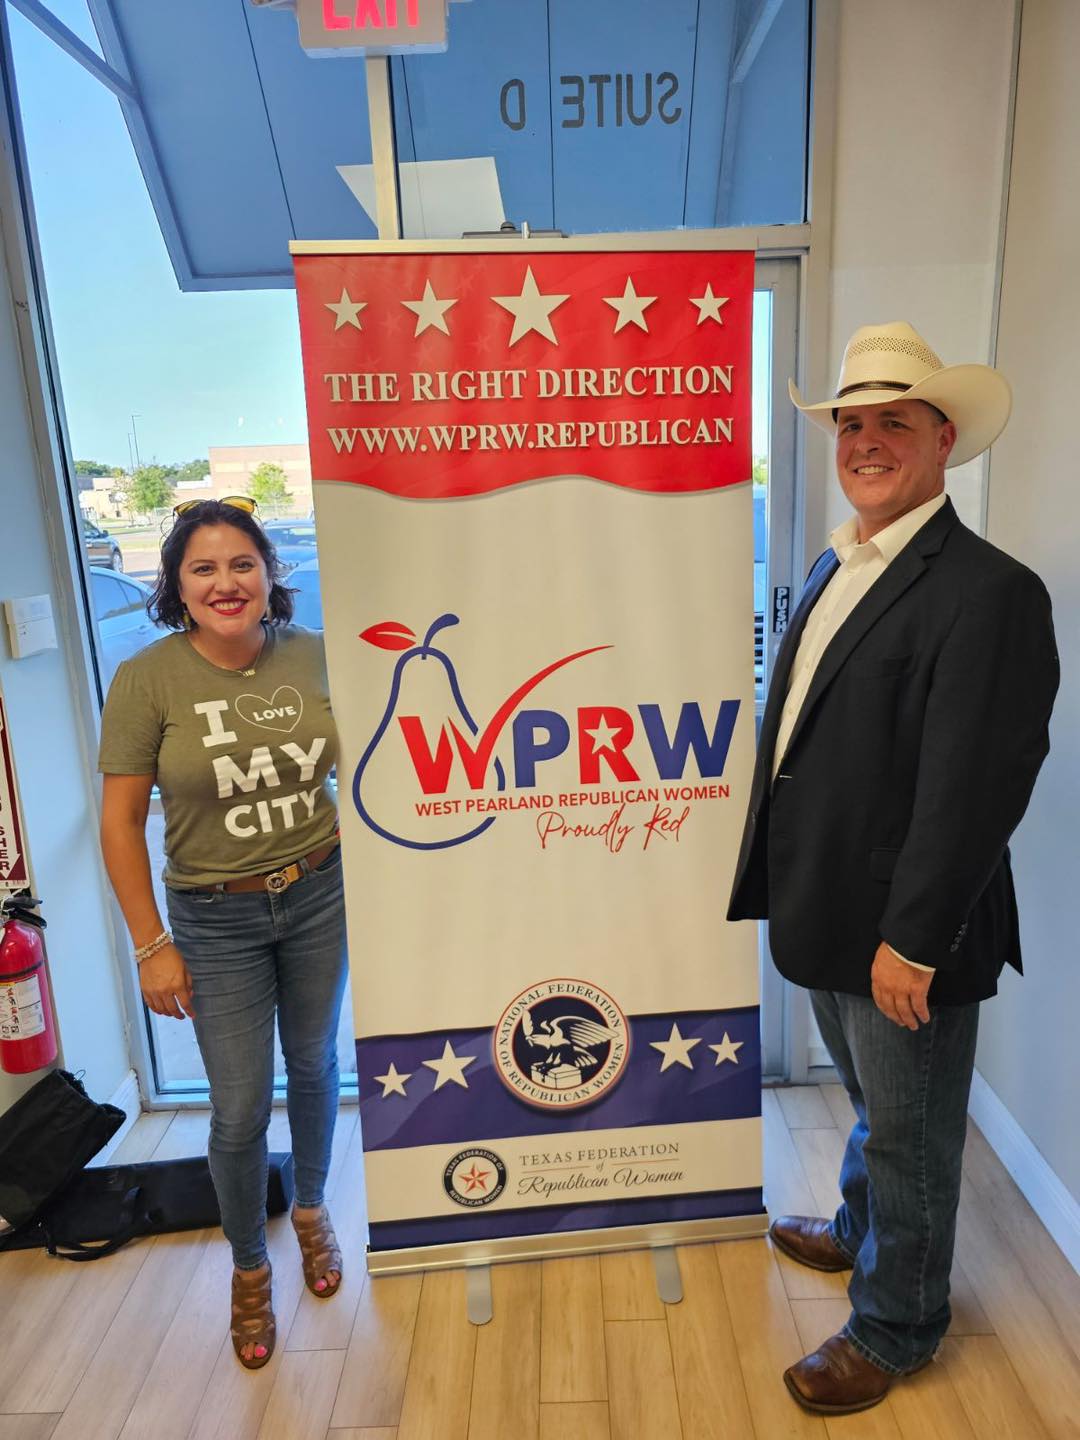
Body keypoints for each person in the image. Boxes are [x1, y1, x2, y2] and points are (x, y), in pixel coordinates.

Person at [728, 322, 1059, 1415]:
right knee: (874, 1103)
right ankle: (861, 1229)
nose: (866, 441)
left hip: (905, 929)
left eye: (894, 423)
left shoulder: (988, 589)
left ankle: (898, 1325)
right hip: (828, 902)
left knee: (911, 1135)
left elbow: (978, 785)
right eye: (851, 423)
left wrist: (915, 939)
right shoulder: (838, 559)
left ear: (943, 438)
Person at [98, 497, 348, 1370]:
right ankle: (249, 1268)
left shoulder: (317, 654)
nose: (225, 583)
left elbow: (376, 759)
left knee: (314, 1064)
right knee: (239, 1108)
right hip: (214, 917)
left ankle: (310, 1211)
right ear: (176, 585)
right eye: (202, 568)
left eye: (242, 563)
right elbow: (120, 822)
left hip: (319, 893)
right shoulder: (147, 678)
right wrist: (151, 945)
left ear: (270, 573)